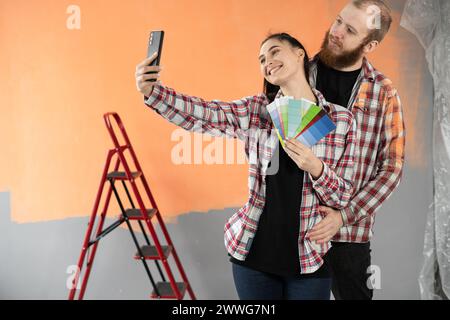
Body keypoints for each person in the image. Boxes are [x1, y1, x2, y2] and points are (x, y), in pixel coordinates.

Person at [135, 32, 357, 300]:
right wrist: (154, 92)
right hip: (252, 254)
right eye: (262, 59)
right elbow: (205, 113)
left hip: (308, 256)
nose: (268, 61)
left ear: (300, 54)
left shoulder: (340, 119)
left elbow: (343, 195)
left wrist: (316, 168)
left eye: (275, 51)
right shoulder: (257, 111)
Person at [306, 0, 406, 300]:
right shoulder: (299, 75)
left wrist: (343, 215)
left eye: (350, 30)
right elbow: (268, 145)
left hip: (349, 236)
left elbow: (392, 167)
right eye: (338, 21)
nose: (336, 32)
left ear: (370, 45)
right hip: (296, 227)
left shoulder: (383, 92)